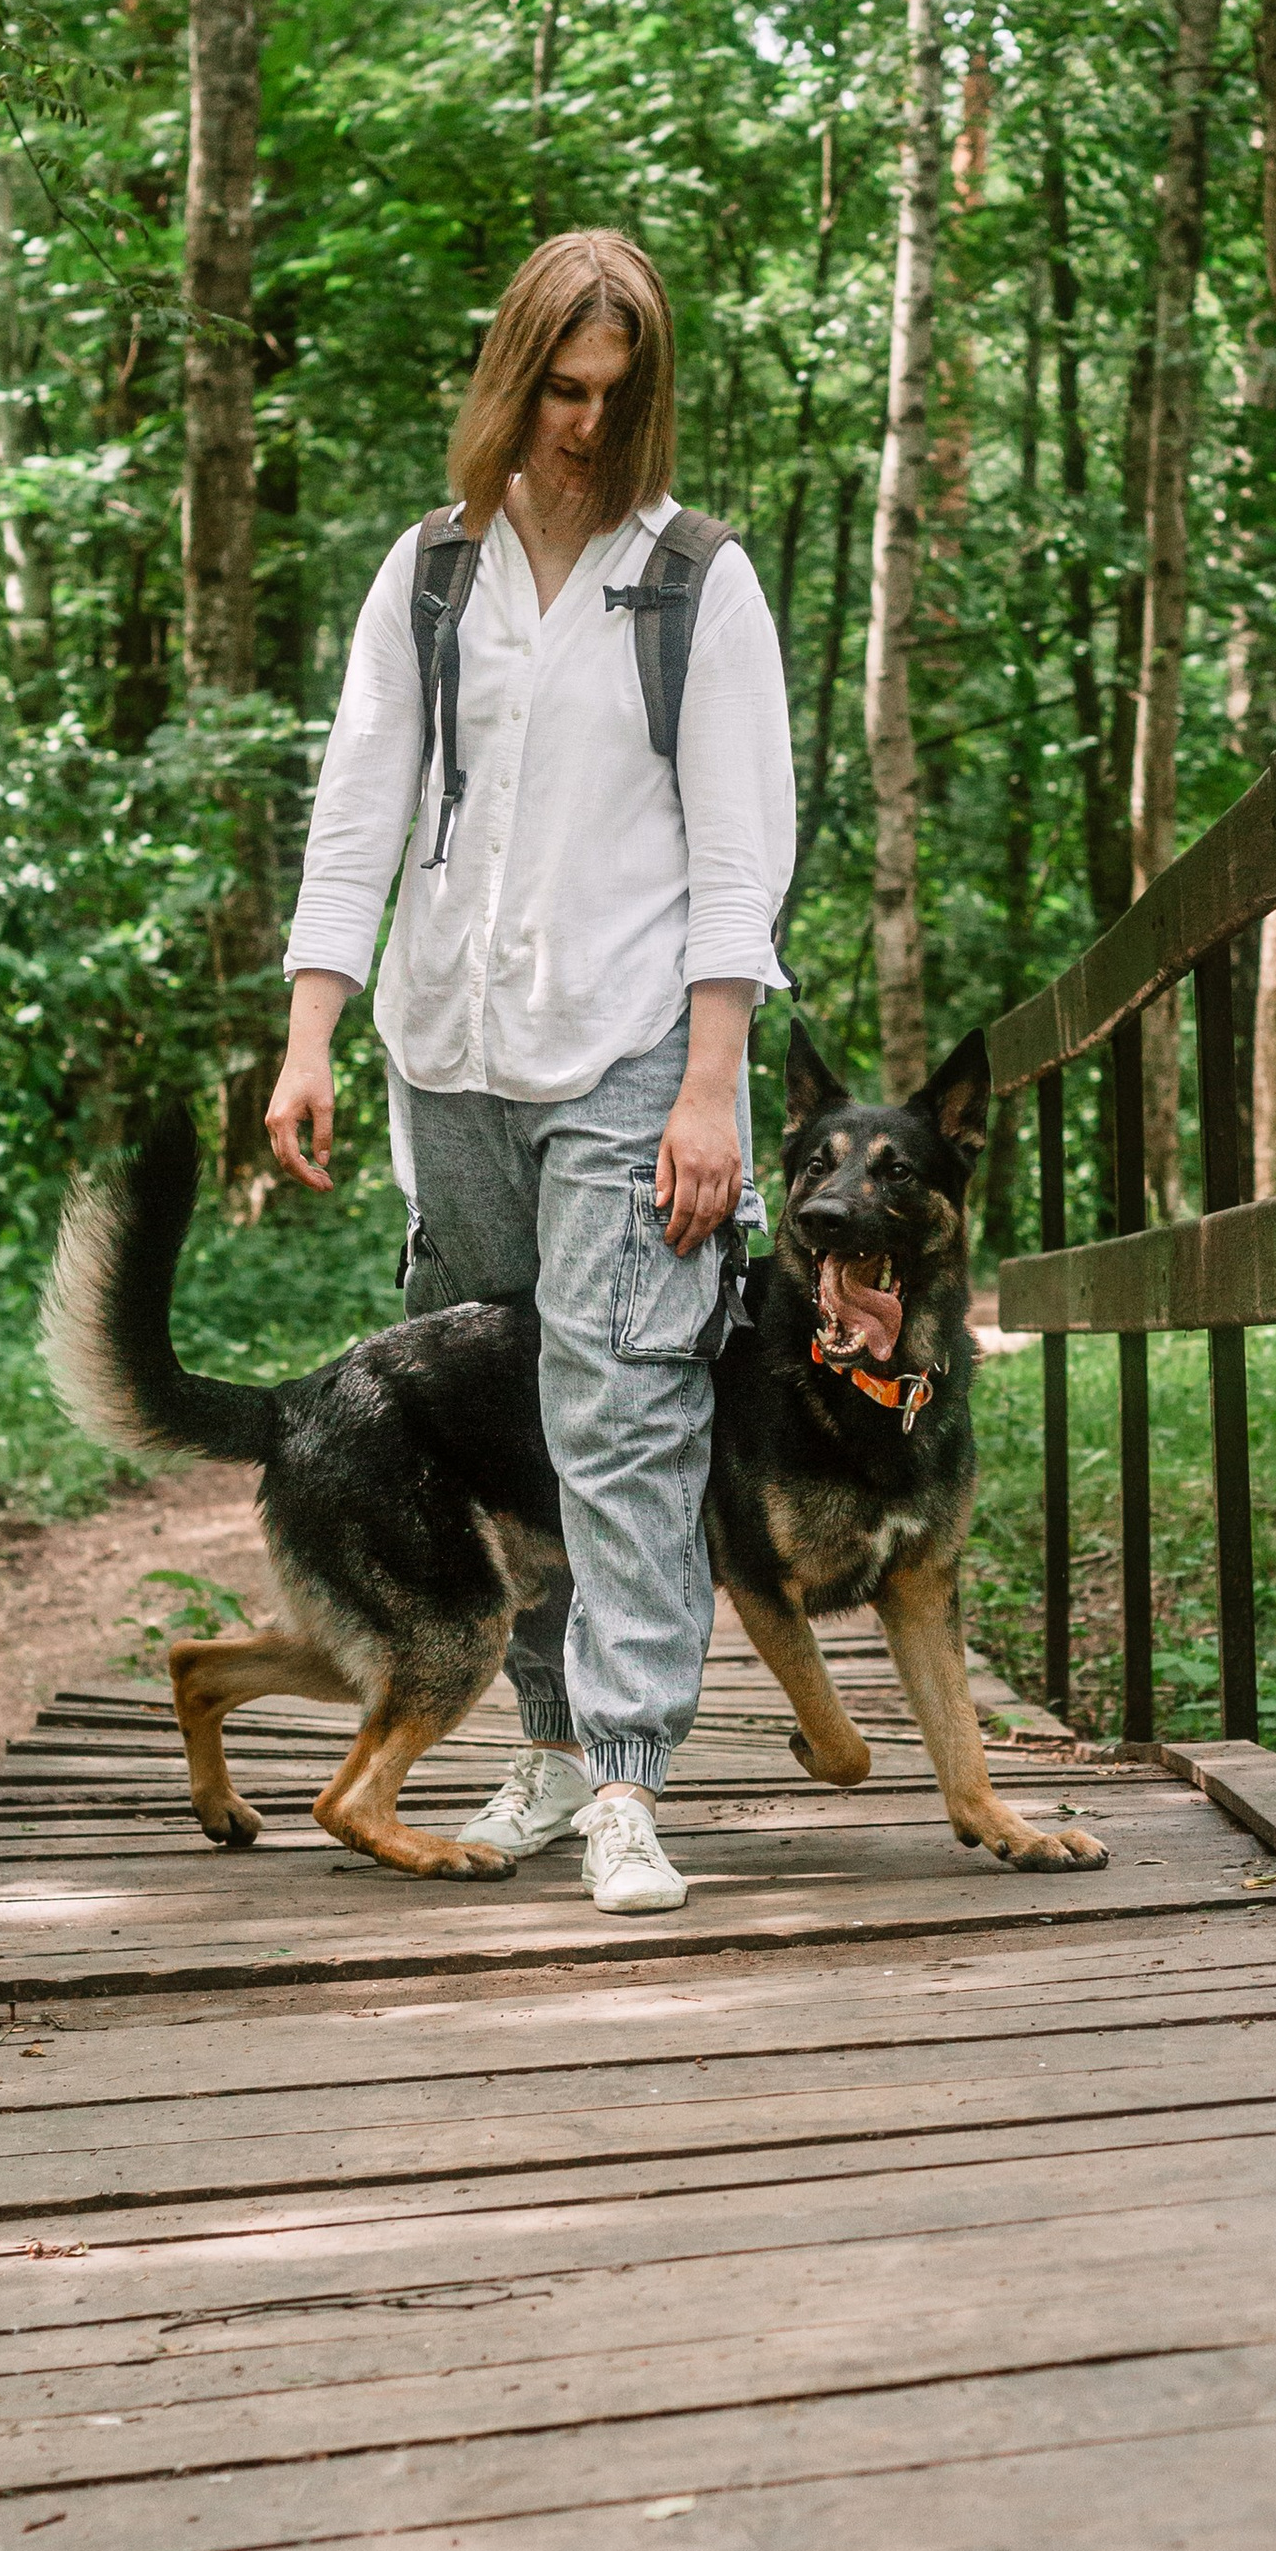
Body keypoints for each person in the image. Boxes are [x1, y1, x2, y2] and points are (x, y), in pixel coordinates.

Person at [267, 231, 797, 1914]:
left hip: (630, 1042)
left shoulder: (697, 581)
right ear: (511, 378)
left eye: (613, 400)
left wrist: (714, 1080)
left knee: (626, 1403)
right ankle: (555, 1752)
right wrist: (311, 1028)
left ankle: (634, 1778)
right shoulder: (431, 574)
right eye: (558, 391)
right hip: (449, 1051)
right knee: (514, 1423)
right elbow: (359, 802)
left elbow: (742, 846)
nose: (581, 427)